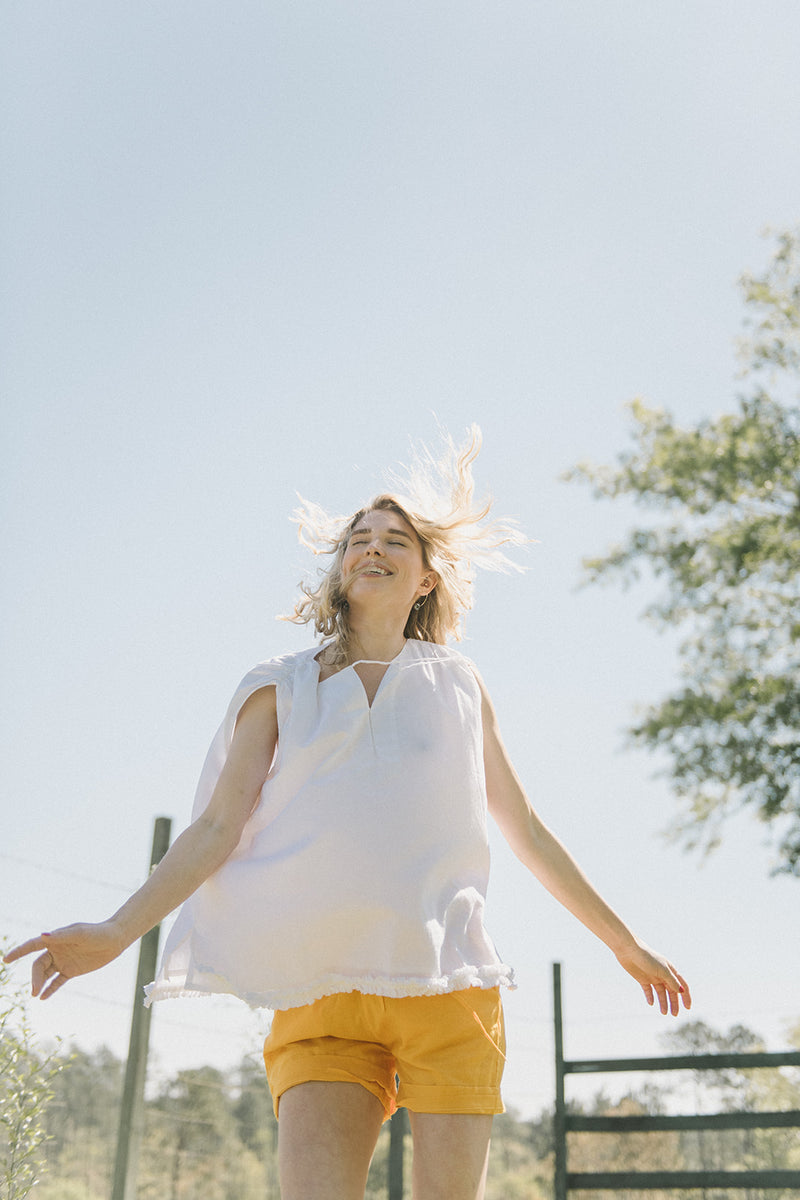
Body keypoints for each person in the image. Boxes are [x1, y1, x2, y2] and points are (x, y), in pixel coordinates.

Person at [5, 428, 690, 1200]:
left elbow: (524, 829)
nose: (373, 547)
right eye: (358, 538)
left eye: (396, 540)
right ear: (338, 568)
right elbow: (215, 829)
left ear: (427, 578)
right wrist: (114, 932)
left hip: (449, 989)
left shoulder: (459, 686)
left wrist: (624, 945)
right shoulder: (279, 686)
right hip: (320, 993)